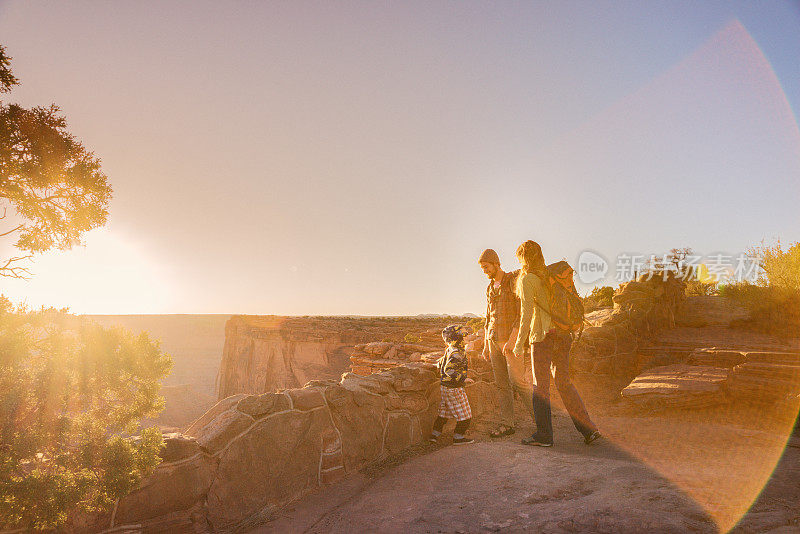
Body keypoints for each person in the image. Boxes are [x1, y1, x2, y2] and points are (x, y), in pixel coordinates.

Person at [512, 240, 601, 447]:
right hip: (563, 334)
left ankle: (544, 435)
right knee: (564, 382)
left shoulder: (528, 279)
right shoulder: (550, 275)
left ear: (523, 258)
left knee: (540, 387)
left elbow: (526, 315)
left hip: (543, 337)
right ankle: (588, 430)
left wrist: (518, 344)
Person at [478, 248, 533, 438]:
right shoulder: (489, 287)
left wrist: (512, 340)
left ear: (496, 263)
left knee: (518, 382)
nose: (484, 271)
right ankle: (507, 423)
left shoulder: (512, 281)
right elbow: (488, 317)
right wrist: (486, 344)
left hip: (510, 341)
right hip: (493, 340)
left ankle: (541, 421)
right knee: (502, 385)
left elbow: (521, 314)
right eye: (483, 268)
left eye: (486, 267)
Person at [429, 324, 474, 445]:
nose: (466, 340)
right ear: (457, 339)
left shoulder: (450, 349)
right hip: (454, 388)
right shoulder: (457, 353)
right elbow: (449, 370)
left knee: (444, 413)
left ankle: (434, 435)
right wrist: (462, 379)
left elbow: (442, 364)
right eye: (463, 337)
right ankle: (458, 438)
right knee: (466, 415)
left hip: (445, 387)